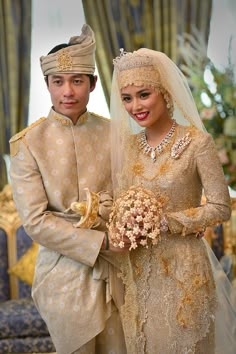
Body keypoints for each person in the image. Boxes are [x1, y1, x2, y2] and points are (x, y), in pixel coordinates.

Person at [107, 48, 236, 353]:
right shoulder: (128, 147)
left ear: (165, 93)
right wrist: (124, 226)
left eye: (144, 94)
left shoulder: (196, 143)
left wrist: (168, 221)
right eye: (127, 98)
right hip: (140, 272)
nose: (135, 106)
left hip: (184, 271)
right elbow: (120, 201)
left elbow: (221, 207)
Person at [9, 25, 127, 354]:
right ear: (46, 85)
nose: (68, 91)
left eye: (77, 81)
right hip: (62, 274)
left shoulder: (116, 134)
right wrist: (101, 241)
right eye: (58, 82)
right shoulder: (27, 144)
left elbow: (132, 195)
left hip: (119, 268)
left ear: (93, 83)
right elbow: (35, 220)